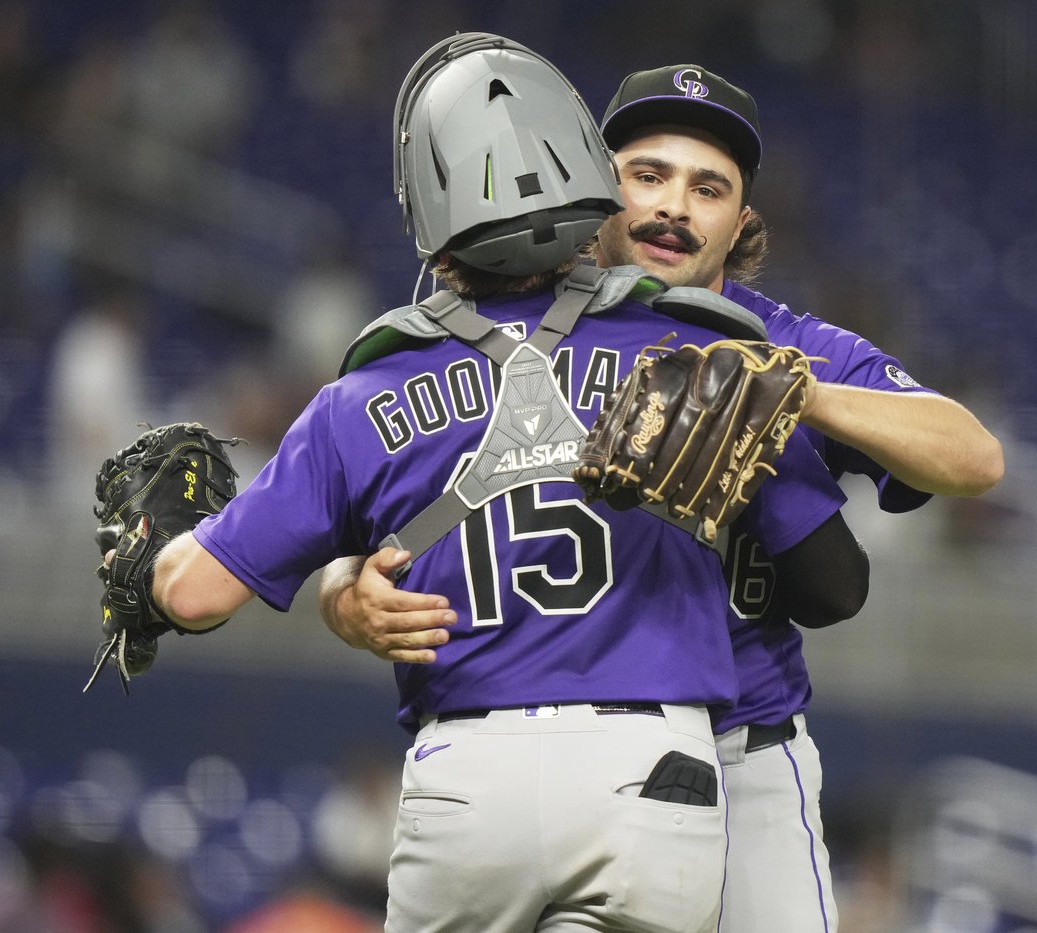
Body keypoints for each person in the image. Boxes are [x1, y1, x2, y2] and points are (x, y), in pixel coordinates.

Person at [123, 35, 867, 933]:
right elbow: (831, 580)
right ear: (591, 184)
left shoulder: (362, 391)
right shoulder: (698, 356)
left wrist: (156, 552)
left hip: (466, 779)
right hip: (653, 773)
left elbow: (194, 595)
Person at [320, 62, 1005, 933]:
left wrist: (783, 387)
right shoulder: (501, 325)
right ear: (591, 183)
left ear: (741, 220)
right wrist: (344, 592)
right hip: (552, 752)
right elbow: (351, 509)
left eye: (707, 187)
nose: (674, 207)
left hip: (745, 750)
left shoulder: (787, 342)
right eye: (647, 175)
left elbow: (974, 456)